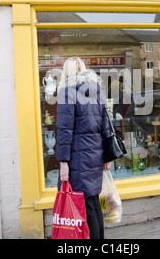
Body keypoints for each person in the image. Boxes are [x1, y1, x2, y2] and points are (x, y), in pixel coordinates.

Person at [56, 56, 112, 239]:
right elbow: (106, 126)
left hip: (78, 159)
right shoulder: (98, 92)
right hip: (95, 156)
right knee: (93, 203)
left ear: (67, 71)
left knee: (88, 206)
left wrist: (63, 162)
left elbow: (65, 130)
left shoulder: (67, 91)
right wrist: (107, 157)